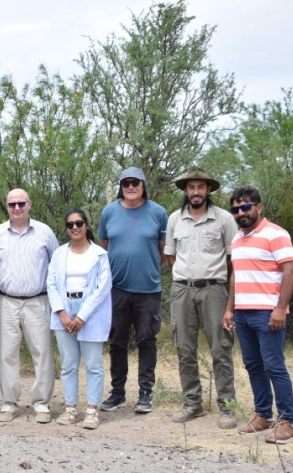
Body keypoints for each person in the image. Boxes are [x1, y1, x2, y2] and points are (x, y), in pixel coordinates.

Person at [222, 186, 293, 444]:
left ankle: (289, 421)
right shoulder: (237, 238)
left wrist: (280, 308)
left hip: (268, 312)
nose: (240, 213)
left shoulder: (275, 234)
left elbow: (290, 270)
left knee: (274, 366)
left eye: (245, 207)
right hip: (243, 313)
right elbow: (236, 275)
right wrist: (230, 308)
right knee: (254, 366)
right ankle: (263, 416)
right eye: (235, 209)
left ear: (258, 207)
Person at [165, 168, 239, 429]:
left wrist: (221, 288)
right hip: (182, 288)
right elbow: (171, 256)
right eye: (191, 187)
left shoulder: (224, 219)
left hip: (214, 290)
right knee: (184, 348)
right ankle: (192, 403)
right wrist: (185, 276)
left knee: (220, 347)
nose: (196, 192)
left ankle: (228, 407)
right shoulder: (175, 219)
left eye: (201, 187)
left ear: (209, 190)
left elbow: (233, 260)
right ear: (185, 191)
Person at [97, 167, 168, 414]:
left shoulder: (158, 213)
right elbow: (104, 247)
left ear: (143, 184)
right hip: (116, 288)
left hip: (148, 289)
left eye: (135, 182)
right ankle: (117, 393)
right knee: (117, 341)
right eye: (125, 183)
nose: (130, 187)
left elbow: (163, 250)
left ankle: (145, 393)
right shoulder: (109, 212)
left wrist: (146, 268)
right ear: (121, 186)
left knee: (146, 340)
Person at [0, 188, 59, 423]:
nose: (16, 208)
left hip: (38, 300)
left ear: (30, 204)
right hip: (6, 300)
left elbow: (56, 265)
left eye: (21, 204)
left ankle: (41, 403)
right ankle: (9, 403)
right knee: (7, 353)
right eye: (12, 205)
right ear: (6, 207)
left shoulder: (44, 233)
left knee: (42, 352)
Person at [47, 209, 112, 430]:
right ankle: (70, 409)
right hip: (64, 311)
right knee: (68, 365)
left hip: (91, 313)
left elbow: (104, 287)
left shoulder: (100, 255)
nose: (75, 227)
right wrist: (62, 314)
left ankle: (92, 410)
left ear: (86, 225)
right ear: (66, 228)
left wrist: (82, 315)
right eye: (70, 224)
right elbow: (52, 284)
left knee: (93, 364)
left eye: (79, 223)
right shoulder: (58, 254)